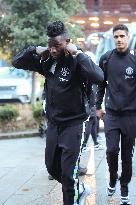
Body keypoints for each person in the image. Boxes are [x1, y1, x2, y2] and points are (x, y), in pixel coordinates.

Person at [12, 20, 104, 205]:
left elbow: (99, 76)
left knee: (68, 175)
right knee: (52, 168)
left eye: (57, 45)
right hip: (54, 124)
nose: (53, 50)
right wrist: (34, 49)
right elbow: (16, 62)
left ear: (67, 42)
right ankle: (79, 187)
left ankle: (74, 195)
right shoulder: (47, 61)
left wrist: (78, 52)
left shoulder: (77, 60)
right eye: (50, 45)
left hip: (74, 125)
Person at [96, 24, 136, 205]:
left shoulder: (134, 60)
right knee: (112, 151)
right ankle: (112, 177)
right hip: (111, 114)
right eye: (116, 36)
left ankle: (125, 189)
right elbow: (101, 85)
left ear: (128, 37)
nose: (119, 39)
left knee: (127, 157)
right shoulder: (106, 58)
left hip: (131, 116)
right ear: (114, 38)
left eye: (122, 36)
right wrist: (97, 106)